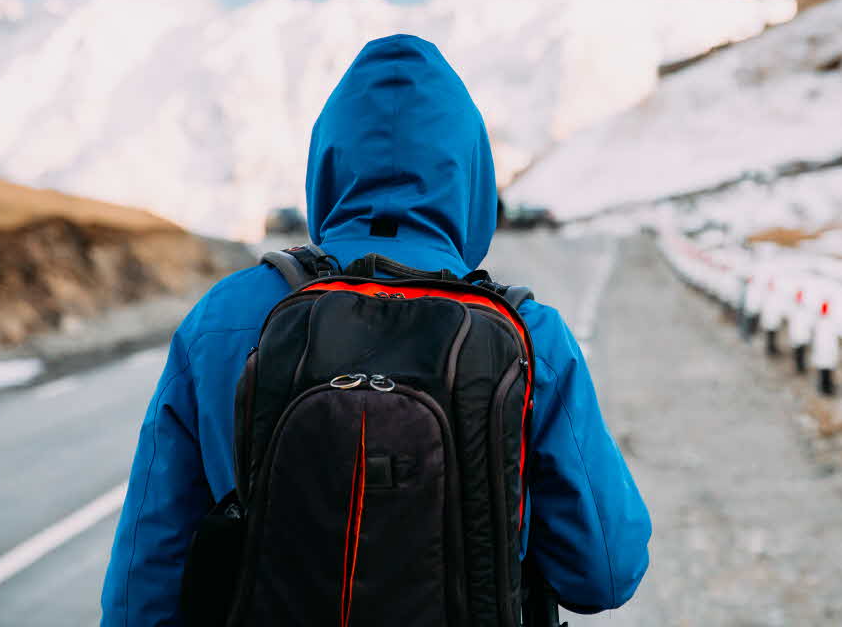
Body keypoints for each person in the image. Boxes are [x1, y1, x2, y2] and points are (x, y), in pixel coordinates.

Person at [101, 34, 651, 625]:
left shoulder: (223, 318)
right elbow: (604, 575)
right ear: (471, 175)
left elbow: (144, 582)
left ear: (327, 165)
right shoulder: (528, 335)